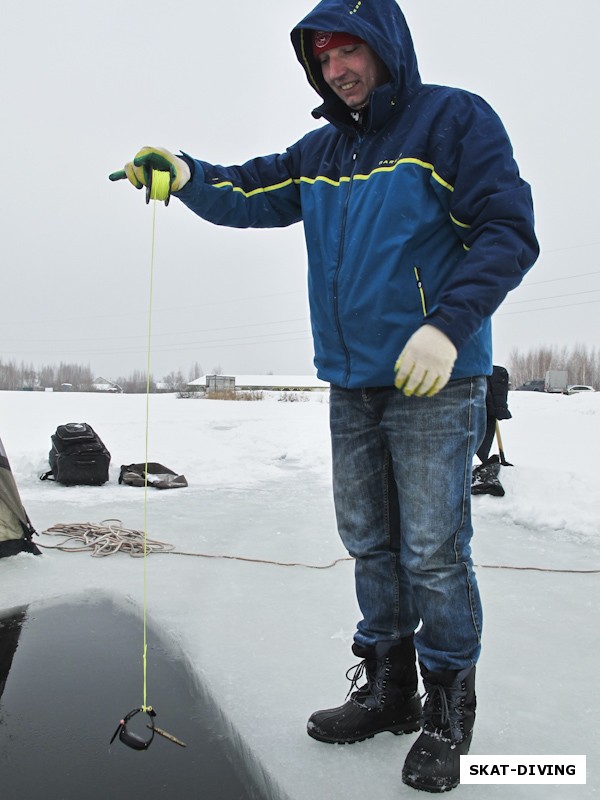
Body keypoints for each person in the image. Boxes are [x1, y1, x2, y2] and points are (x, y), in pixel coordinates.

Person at [110, 0, 539, 792]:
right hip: (353, 381)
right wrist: (185, 171)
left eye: (350, 50)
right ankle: (388, 686)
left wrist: (446, 327)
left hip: (433, 378)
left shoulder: (452, 121)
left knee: (433, 552)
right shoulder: (322, 151)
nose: (337, 68)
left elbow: (509, 229)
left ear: (383, 48)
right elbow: (248, 190)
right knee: (371, 541)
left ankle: (448, 708)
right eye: (322, 56)